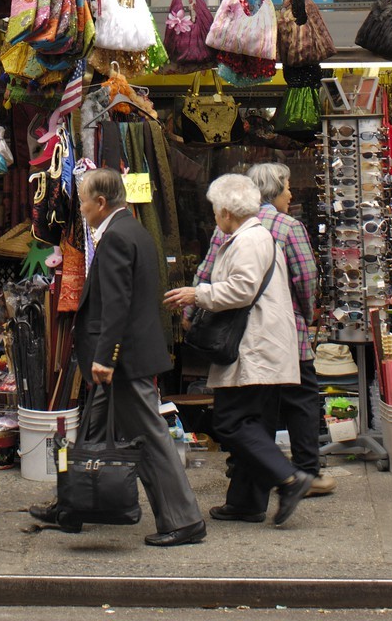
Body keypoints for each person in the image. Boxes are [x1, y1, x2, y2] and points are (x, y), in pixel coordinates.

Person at [30, 167, 206, 547]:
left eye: (83, 201)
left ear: (100, 202)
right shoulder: (133, 231)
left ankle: (184, 519)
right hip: (122, 358)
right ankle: (70, 506)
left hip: (123, 360)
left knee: (150, 437)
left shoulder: (116, 238)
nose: (80, 208)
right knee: (91, 432)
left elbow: (117, 304)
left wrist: (106, 357)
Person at [166, 173, 311, 528]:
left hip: (255, 347)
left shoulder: (248, 240)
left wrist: (197, 294)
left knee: (230, 422)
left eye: (216, 209)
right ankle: (246, 503)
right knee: (254, 423)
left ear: (227, 211)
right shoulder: (252, 236)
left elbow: (241, 289)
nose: (215, 215)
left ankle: (289, 478)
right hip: (262, 345)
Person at [246, 162, 334, 496]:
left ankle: (262, 475)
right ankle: (306, 472)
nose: (291, 194)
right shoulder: (288, 226)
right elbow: (306, 277)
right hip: (288, 330)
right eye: (286, 187)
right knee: (301, 400)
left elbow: (209, 272)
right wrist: (307, 314)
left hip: (249, 333)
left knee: (260, 405)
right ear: (273, 191)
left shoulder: (235, 223)